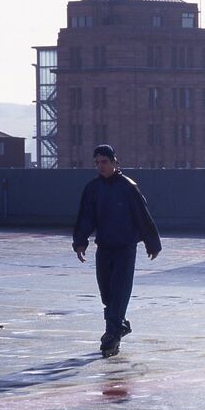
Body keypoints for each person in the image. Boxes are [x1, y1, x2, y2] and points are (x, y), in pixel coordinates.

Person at [73, 144, 162, 357]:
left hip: (125, 248)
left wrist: (152, 243)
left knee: (119, 291)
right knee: (106, 292)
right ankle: (119, 326)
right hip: (104, 247)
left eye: (104, 162)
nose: (101, 166)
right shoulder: (93, 189)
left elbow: (142, 215)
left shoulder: (128, 187)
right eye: (97, 163)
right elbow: (86, 216)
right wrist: (80, 241)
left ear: (114, 161)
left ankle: (111, 335)